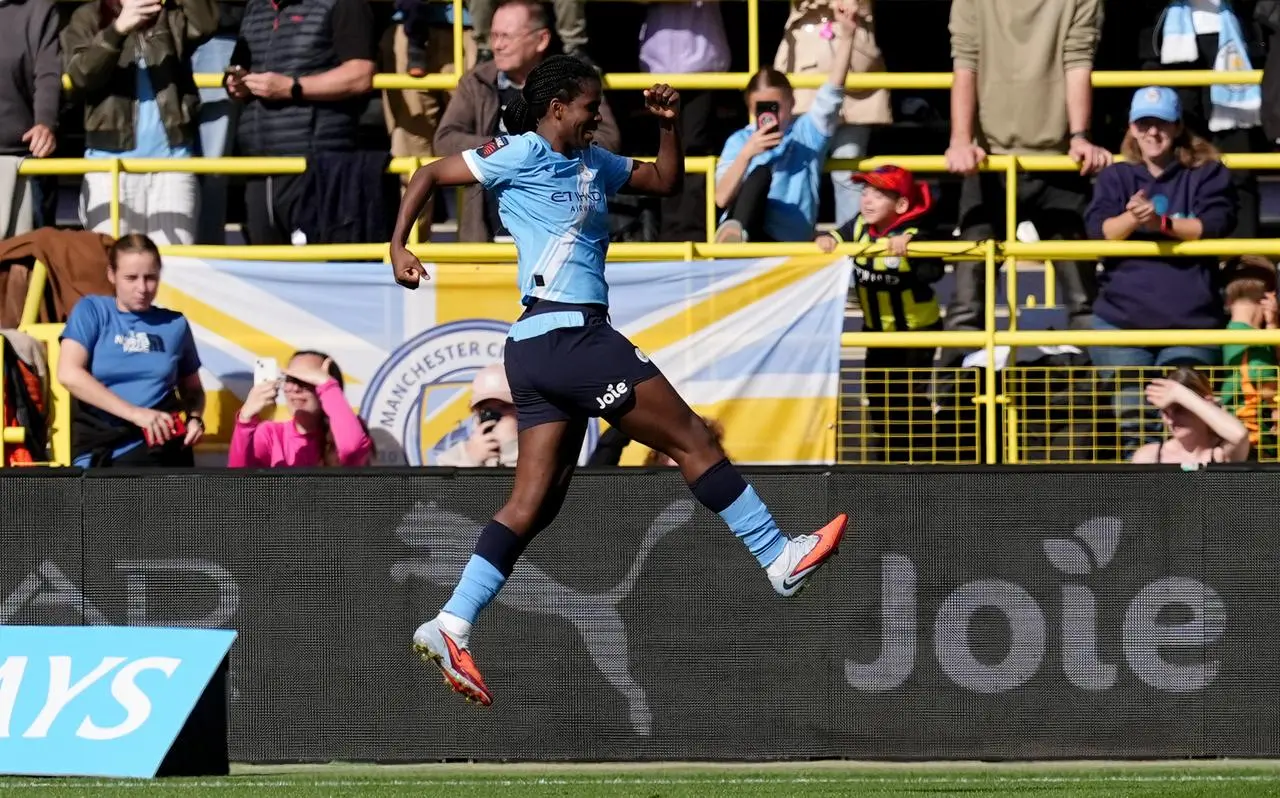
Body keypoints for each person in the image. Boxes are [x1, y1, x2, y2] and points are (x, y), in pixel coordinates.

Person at [389, 55, 848, 706]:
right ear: (556, 109)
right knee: (692, 437)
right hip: (570, 335)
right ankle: (777, 556)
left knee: (534, 506)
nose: (597, 115)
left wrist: (668, 125)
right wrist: (399, 245)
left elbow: (664, 180)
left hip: (539, 348)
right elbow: (431, 171)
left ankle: (451, 623)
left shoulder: (593, 162)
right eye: (588, 106)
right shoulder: (516, 153)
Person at [942, 0, 1110, 369]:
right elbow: (965, 63)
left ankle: (1098, 406)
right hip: (987, 163)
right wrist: (960, 139)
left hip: (1058, 162)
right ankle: (951, 410)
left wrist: (1079, 136)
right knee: (968, 298)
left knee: (1082, 295)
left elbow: (1078, 61)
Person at [434, 0, 620, 243]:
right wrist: (506, 149)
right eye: (494, 36)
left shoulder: (574, 80)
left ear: (542, 39)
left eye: (506, 37)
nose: (497, 46)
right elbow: (445, 140)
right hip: (488, 241)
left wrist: (546, 150)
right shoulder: (477, 81)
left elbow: (608, 140)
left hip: (560, 240)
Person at [62, 0, 217, 245]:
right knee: (111, 264)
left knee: (175, 270)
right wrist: (117, 30)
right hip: (108, 166)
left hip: (172, 164)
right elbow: (79, 75)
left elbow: (207, 23)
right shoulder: (88, 16)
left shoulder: (170, 14)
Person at [815, 164, 941, 462]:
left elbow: (934, 271)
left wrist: (914, 247)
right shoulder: (858, 225)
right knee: (879, 398)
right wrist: (825, 240)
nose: (867, 200)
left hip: (916, 334)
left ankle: (921, 461)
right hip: (876, 332)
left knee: (909, 400)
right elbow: (833, 236)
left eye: (879, 194)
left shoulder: (916, 233)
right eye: (866, 192)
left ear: (901, 205)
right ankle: (888, 460)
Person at [225, 0, 376, 244]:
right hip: (258, 166)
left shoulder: (345, 4)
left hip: (317, 166)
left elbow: (360, 75)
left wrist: (292, 88)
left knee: (317, 273)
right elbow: (241, 66)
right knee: (265, 273)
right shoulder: (256, 6)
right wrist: (236, 84)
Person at [713, 1, 860, 243]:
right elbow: (721, 199)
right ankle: (734, 239)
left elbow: (832, 91)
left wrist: (847, 36)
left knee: (762, 174)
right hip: (748, 236)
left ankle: (735, 241)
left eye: (775, 107)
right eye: (760, 108)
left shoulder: (806, 132)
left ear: (791, 102)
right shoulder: (739, 140)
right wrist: (747, 154)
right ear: (750, 108)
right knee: (759, 174)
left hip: (788, 241)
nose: (769, 115)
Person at [56, 234, 206, 467]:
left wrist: (195, 418)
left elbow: (193, 389)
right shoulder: (92, 310)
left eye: (150, 278)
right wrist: (136, 414)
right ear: (111, 275)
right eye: (131, 278)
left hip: (161, 446)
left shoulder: (175, 324)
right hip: (104, 447)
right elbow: (68, 374)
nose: (142, 288)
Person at [774, 0, 892, 229]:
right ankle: (794, 245)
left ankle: (852, 249)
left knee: (847, 172)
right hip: (805, 86)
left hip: (856, 89)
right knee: (801, 168)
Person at [229, 351, 373, 468]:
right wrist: (245, 421)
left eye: (306, 380)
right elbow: (237, 486)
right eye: (290, 379)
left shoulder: (346, 434)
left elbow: (351, 449)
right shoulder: (271, 434)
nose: (295, 388)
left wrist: (327, 384)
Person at [0, 0, 60, 237]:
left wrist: (45, 123)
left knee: (26, 265)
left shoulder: (40, 9)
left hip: (26, 157)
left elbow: (48, 73)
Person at [1219, 255, 1278, 458]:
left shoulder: (1234, 333)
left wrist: (1272, 326)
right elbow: (1268, 386)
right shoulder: (1247, 338)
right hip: (1254, 442)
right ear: (1269, 296)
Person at [1131, 367, 1250, 464]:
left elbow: (1240, 436)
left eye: (1180, 409)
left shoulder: (1222, 453)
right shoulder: (1149, 456)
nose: (1170, 420)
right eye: (1165, 412)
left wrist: (1180, 393)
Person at [436, 362, 519, 467]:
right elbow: (445, 482)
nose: (495, 417)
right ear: (476, 413)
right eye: (487, 410)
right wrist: (471, 461)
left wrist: (511, 449)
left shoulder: (538, 451)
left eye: (504, 406)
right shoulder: (453, 457)